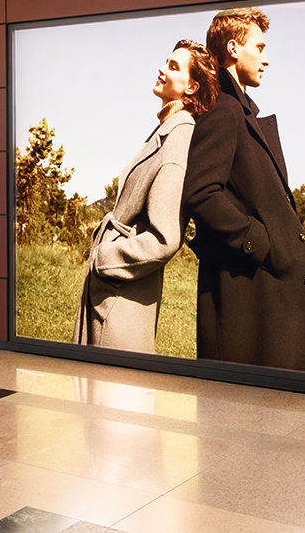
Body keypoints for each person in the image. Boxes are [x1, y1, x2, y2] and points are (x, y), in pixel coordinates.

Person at [182, 8, 305, 375]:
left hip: (272, 292)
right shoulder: (224, 110)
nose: (267, 58)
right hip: (257, 293)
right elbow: (202, 193)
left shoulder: (241, 111)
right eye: (260, 46)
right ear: (234, 49)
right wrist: (263, 243)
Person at [73, 40, 219, 352]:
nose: (162, 69)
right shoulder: (164, 130)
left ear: (192, 87)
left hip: (121, 301)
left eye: (173, 66)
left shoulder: (178, 137)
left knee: (115, 394)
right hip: (114, 294)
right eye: (166, 62)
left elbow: (165, 237)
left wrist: (105, 260)